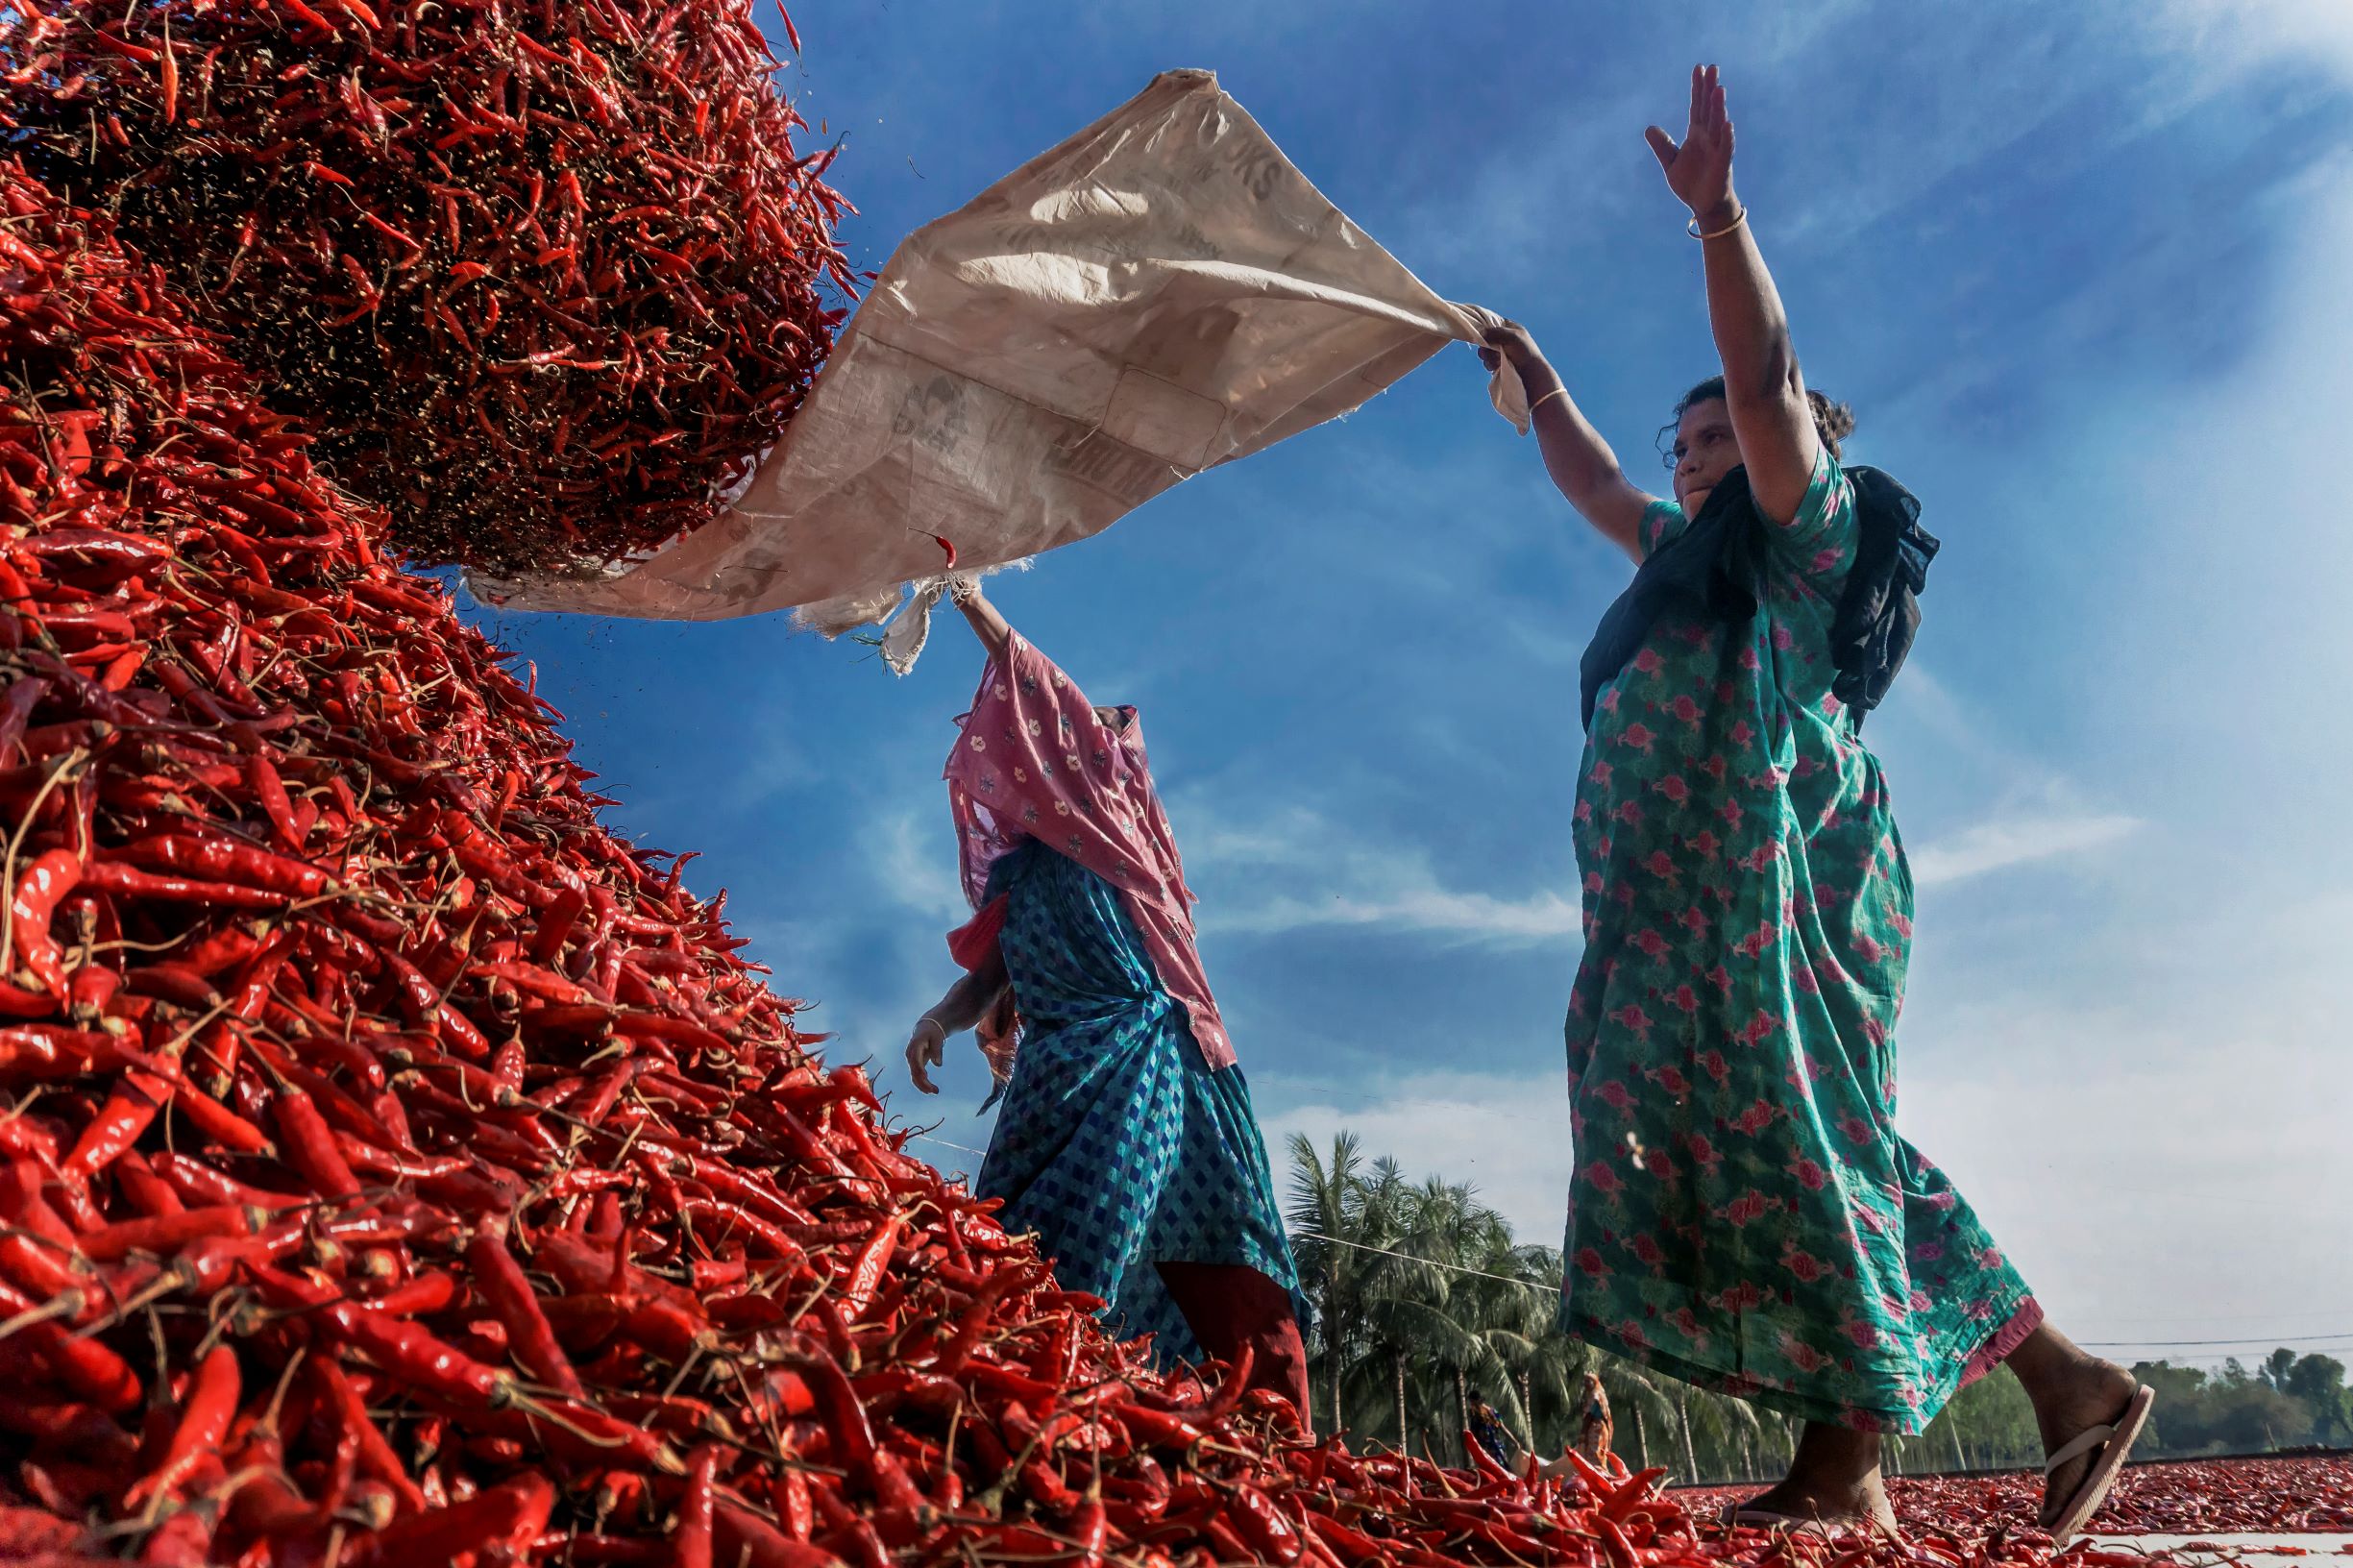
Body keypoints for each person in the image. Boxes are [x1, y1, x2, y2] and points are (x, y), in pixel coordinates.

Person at [1478, 66, 2151, 1540]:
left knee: (1811, 1130)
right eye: (1687, 447)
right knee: (1767, 1130)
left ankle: (1877, 1460)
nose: (1695, 460)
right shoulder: (1683, 555)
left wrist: (1718, 217)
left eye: (1713, 441)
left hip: (1796, 877)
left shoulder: (1802, 532)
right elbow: (1591, 479)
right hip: (1684, 905)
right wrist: (1531, 372)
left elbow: (1768, 382)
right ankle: (2040, 1393)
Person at [905, 580, 1312, 1421]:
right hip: (1049, 1073)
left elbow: (1054, 702)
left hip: (1135, 1055)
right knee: (1008, 1232)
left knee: (1100, 1220)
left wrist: (976, 606)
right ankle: (1000, 1382)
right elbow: (993, 973)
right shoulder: (1019, 873)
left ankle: (1063, 1401)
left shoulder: (1119, 837)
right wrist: (938, 1018)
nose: (1054, 755)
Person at [1468, 1389, 1515, 1468]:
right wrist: (1515, 1441)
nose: (1471, 1404)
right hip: (1497, 1449)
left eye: (1471, 1402)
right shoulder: (1493, 1412)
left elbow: (1474, 1436)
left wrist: (1515, 1441)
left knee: (1497, 1473)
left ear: (1474, 1401)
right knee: (1504, 1471)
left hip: (1489, 1452)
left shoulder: (1476, 1416)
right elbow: (1503, 1429)